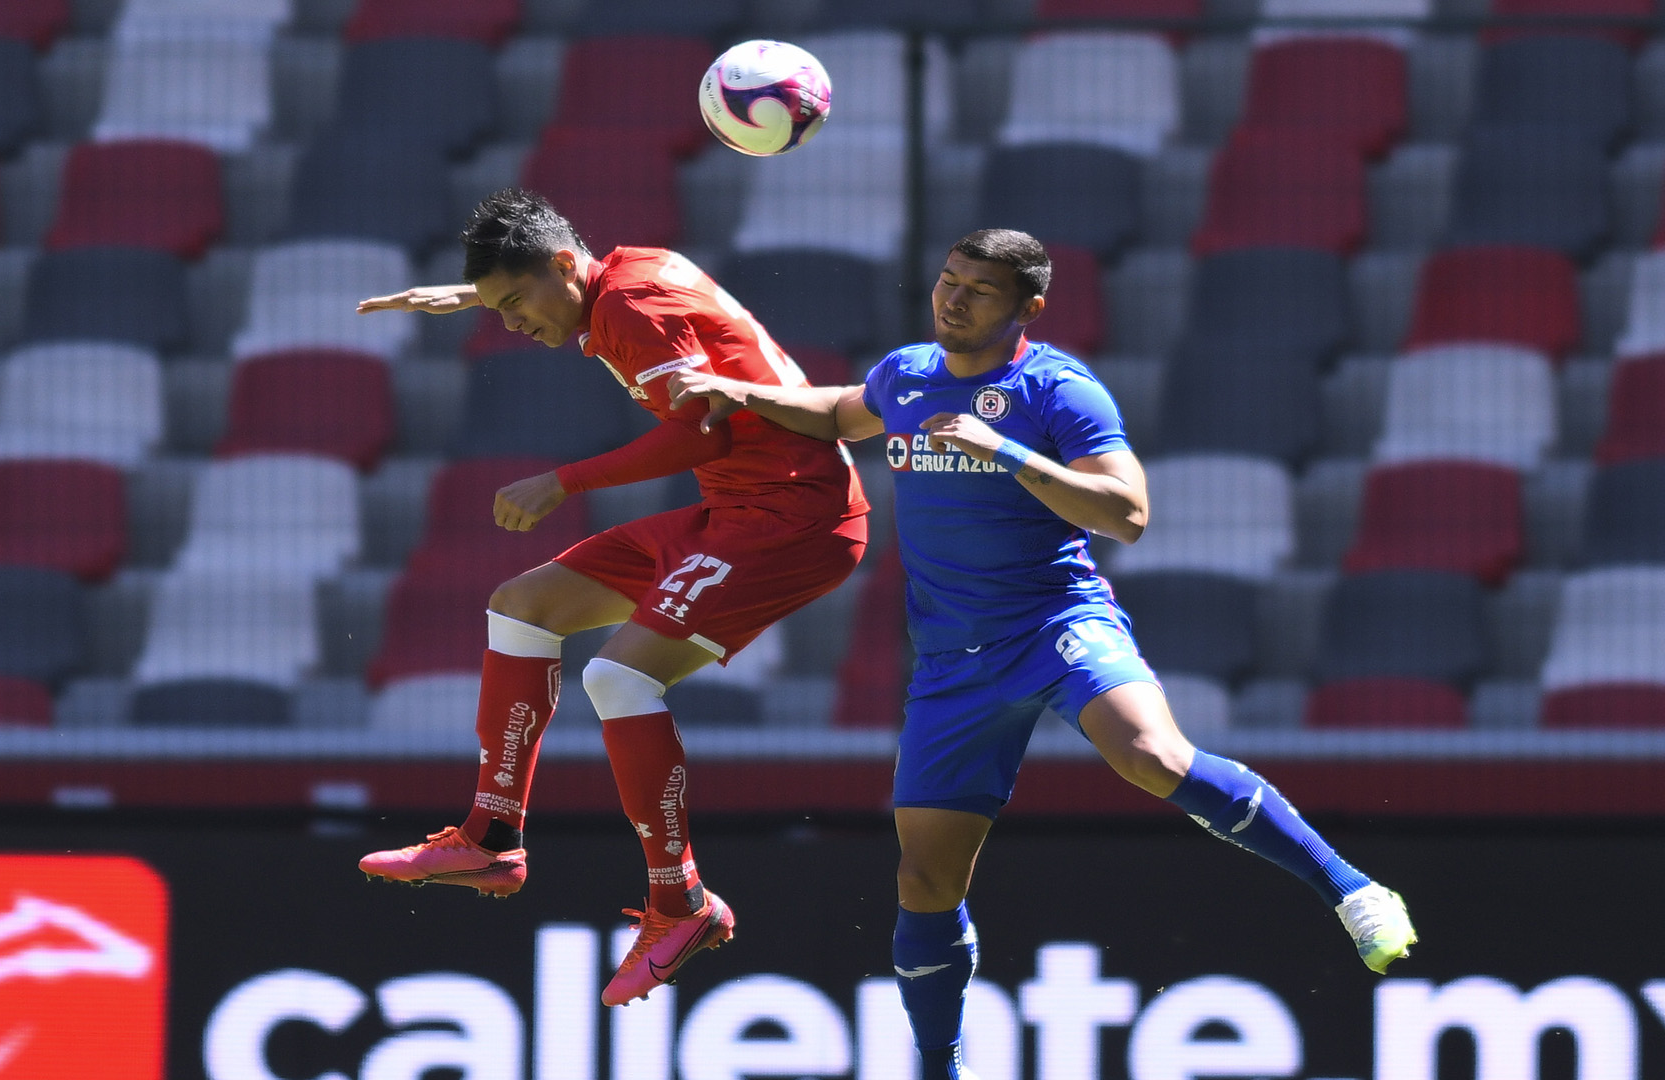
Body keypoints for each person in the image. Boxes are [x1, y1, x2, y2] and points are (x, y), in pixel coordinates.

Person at [669, 228, 1417, 1080]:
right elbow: (844, 411)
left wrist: (1011, 454)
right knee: (923, 881)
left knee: (1150, 755)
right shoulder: (908, 372)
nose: (953, 300)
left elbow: (1127, 513)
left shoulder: (1057, 389)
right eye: (948, 281)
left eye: (979, 291)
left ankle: (1353, 890)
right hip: (953, 662)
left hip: (1055, 624)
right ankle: (939, 1067)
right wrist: (737, 390)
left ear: (1028, 307)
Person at [350, 189, 869, 1006]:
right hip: (736, 507)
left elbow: (703, 432)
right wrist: (474, 294)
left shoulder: (628, 308)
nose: (512, 324)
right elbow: (609, 308)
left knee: (619, 678)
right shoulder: (630, 272)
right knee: (524, 605)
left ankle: (681, 902)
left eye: (514, 303)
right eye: (499, 308)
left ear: (562, 267)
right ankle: (492, 837)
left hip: (791, 519)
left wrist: (565, 481)